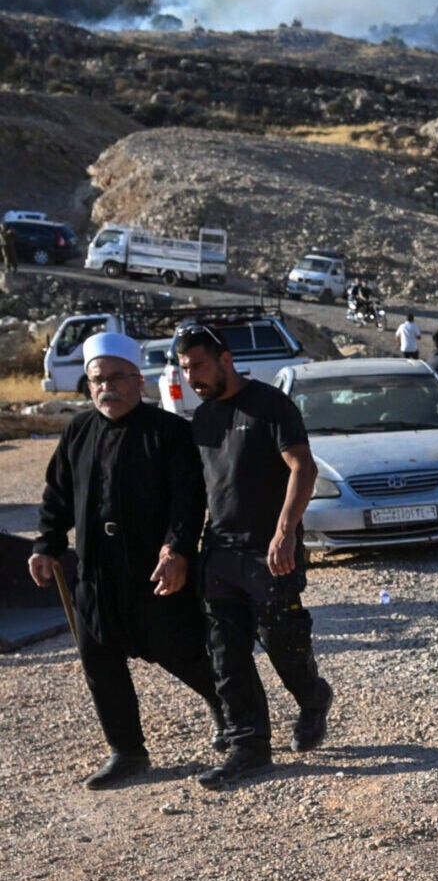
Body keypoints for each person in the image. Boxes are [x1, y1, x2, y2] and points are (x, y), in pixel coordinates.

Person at [30, 335, 227, 788]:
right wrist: (46, 545)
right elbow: (57, 495)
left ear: (139, 380)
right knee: (99, 661)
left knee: (183, 651)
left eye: (116, 378)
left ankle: (232, 715)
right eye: (97, 380)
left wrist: (177, 550)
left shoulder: (168, 432)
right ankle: (127, 751)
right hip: (94, 572)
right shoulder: (78, 431)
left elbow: (187, 499)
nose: (106, 388)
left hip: (155, 569)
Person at [174, 323, 333, 788]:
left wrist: (285, 532)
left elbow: (303, 467)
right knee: (226, 655)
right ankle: (249, 746)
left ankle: (312, 697)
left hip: (270, 554)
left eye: (199, 365)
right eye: (185, 369)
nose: (192, 377)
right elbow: (197, 493)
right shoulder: (201, 419)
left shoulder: (269, 405)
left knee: (285, 646)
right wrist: (177, 547)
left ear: (225, 359)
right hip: (219, 555)